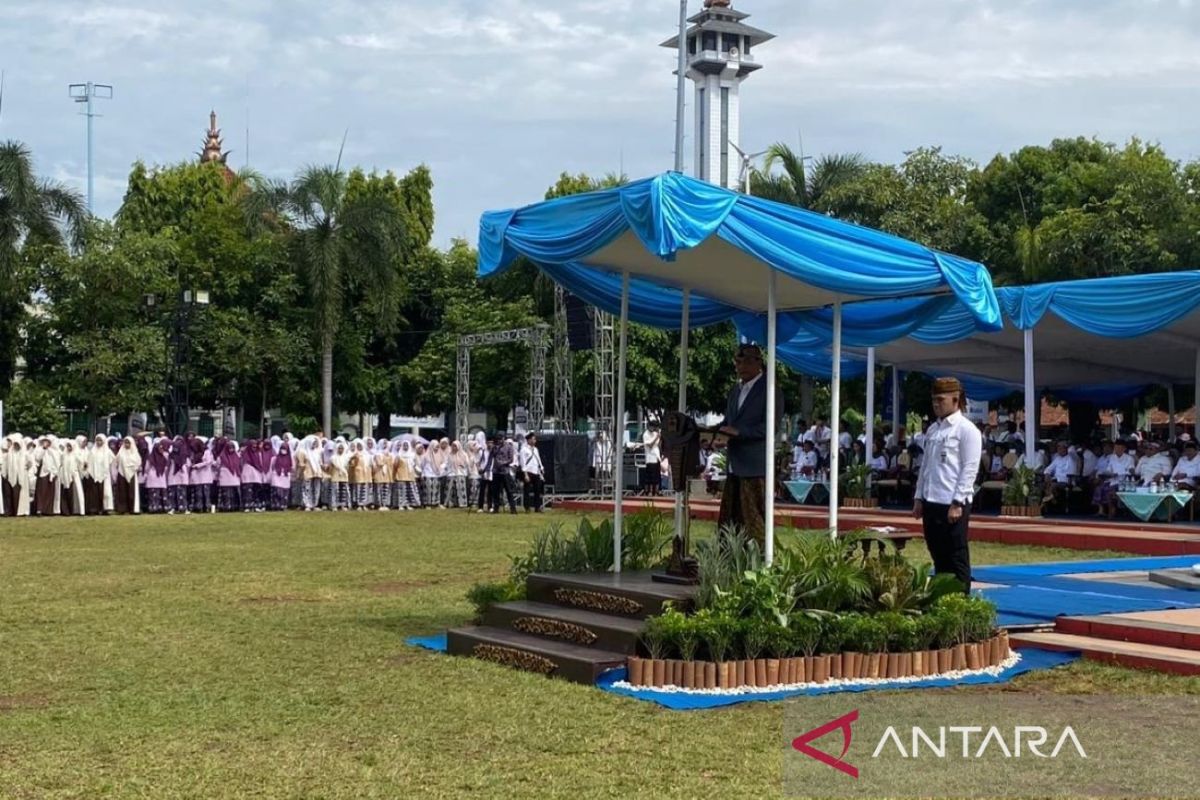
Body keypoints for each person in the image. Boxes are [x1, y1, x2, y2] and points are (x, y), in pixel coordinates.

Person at [912, 377, 981, 594]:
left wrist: (958, 501)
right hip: (932, 499)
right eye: (934, 400)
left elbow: (969, 469)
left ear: (955, 399)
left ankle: (961, 599)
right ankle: (943, 595)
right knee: (937, 552)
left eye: (940, 400)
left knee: (956, 554)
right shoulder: (933, 430)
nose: (936, 404)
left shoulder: (967, 430)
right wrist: (918, 497)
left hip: (952, 502)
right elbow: (926, 467)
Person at [716, 343, 778, 548]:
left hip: (755, 467)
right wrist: (713, 435)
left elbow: (770, 427)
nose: (741, 366)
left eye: (746, 361)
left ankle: (762, 561)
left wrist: (740, 432)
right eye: (737, 362)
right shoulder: (735, 390)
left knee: (755, 519)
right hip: (734, 466)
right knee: (730, 520)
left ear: (758, 363)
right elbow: (728, 423)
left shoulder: (770, 389)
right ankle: (730, 560)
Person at [490, 433, 518, 514]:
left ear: (504, 438)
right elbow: (491, 457)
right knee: (496, 491)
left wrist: (503, 463)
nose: (499, 441)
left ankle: (513, 508)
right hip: (496, 471)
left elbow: (511, 459)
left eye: (500, 439)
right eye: (498, 439)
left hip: (505, 471)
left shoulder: (509, 447)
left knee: (509, 491)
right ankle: (496, 508)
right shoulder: (495, 447)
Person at [114, 436, 142, 514]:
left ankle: (133, 509)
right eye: (125, 442)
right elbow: (117, 461)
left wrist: (132, 467)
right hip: (122, 474)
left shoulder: (135, 452)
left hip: (132, 474)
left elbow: (138, 462)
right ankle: (122, 509)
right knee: (122, 492)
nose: (126, 444)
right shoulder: (121, 452)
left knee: (132, 492)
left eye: (128, 443)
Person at [189, 437, 215, 513]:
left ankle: (207, 507)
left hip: (205, 475)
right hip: (197, 476)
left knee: (206, 492)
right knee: (198, 493)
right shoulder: (193, 453)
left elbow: (208, 461)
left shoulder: (207, 452)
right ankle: (198, 507)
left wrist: (198, 465)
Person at [520, 432, 545, 512]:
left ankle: (537, 507)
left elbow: (538, 459)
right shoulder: (524, 449)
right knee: (527, 490)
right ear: (529, 440)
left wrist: (541, 467)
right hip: (528, 471)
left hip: (536, 471)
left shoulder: (535, 449)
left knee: (537, 490)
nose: (535, 441)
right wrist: (525, 474)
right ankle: (527, 507)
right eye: (533, 439)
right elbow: (523, 462)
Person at [640, 421, 661, 497]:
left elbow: (658, 444)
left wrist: (658, 436)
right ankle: (649, 491)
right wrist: (656, 438)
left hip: (656, 456)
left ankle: (656, 491)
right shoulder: (646, 434)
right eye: (652, 426)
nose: (653, 428)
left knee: (657, 475)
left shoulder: (655, 434)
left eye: (654, 427)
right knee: (650, 476)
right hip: (650, 457)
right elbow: (650, 445)